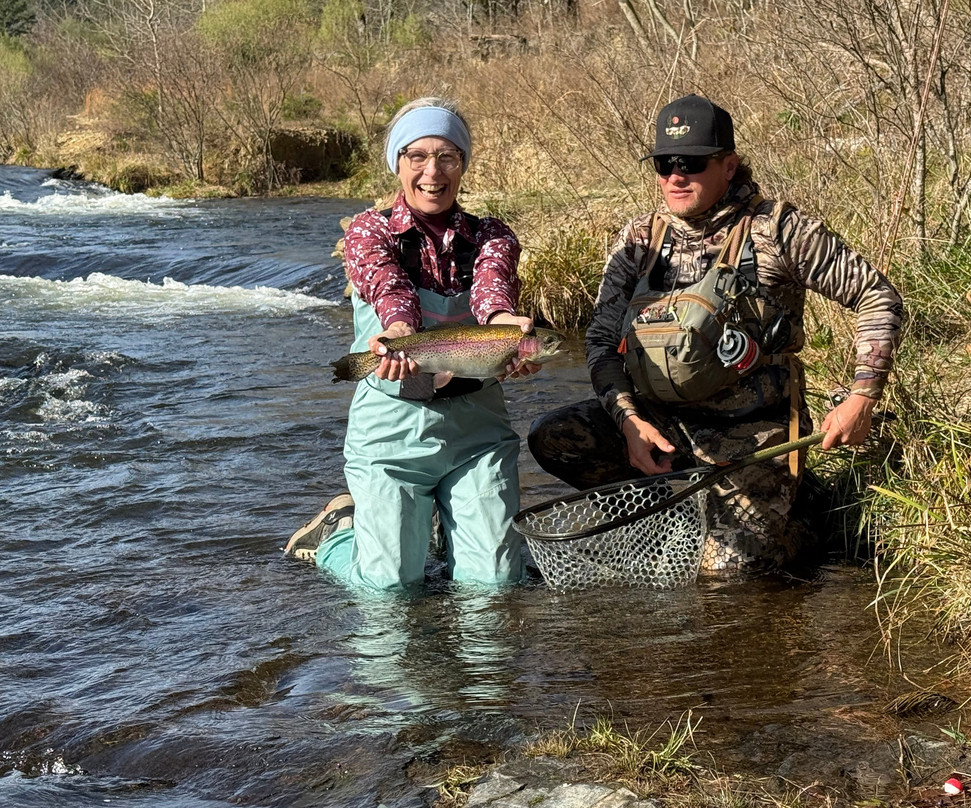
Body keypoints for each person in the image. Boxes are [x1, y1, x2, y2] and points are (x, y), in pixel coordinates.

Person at [528, 94, 903, 574]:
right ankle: (674, 513)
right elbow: (600, 340)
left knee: (727, 576)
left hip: (756, 434)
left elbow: (877, 295)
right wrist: (628, 422)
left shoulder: (779, 229)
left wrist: (861, 397)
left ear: (729, 166)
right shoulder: (639, 240)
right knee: (556, 436)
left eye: (691, 163)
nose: (675, 177)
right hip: (661, 430)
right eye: (664, 164)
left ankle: (806, 513)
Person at [286, 97, 541, 589]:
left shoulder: (493, 236)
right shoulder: (369, 229)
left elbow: (492, 290)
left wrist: (506, 324)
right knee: (389, 589)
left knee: (495, 585)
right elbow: (388, 286)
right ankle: (336, 537)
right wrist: (400, 331)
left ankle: (455, 539)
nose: (433, 171)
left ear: (463, 164)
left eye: (447, 156)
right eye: (417, 156)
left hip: (477, 428)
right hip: (391, 431)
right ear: (397, 164)